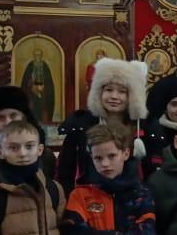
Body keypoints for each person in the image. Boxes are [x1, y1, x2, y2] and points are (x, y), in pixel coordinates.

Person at [57, 58, 149, 193]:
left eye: (122, 92)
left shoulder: (145, 128)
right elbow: (65, 171)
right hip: (88, 198)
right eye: (109, 90)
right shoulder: (81, 126)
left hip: (134, 199)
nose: (114, 96)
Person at [19, 48, 56, 125]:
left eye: (39, 55)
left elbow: (48, 81)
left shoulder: (45, 66)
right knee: (32, 106)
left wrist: (44, 87)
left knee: (43, 107)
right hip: (31, 90)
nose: (37, 57)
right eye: (36, 55)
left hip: (43, 90)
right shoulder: (30, 65)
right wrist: (31, 84)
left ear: (41, 56)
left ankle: (43, 122)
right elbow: (25, 80)